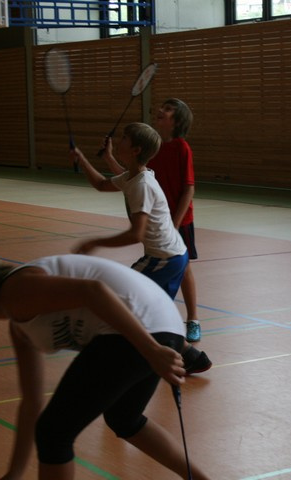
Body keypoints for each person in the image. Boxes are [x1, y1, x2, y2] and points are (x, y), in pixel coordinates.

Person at [0, 239, 212, 480]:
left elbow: (93, 291)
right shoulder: (19, 324)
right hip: (159, 325)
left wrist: (151, 349)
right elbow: (31, 403)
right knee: (124, 418)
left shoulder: (15, 292)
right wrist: (14, 473)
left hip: (142, 329)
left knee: (54, 433)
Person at [71, 122, 211, 375]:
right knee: (153, 313)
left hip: (164, 258)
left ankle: (119, 357)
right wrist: (82, 159)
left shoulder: (141, 185)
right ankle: (192, 357)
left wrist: (94, 242)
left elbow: (136, 234)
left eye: (124, 138)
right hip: (173, 256)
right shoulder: (133, 177)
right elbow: (101, 184)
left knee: (119, 298)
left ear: (135, 150)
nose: (119, 140)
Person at [101, 99, 202, 343]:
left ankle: (193, 319)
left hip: (179, 218)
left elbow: (189, 188)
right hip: (159, 217)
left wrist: (175, 223)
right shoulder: (153, 148)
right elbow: (129, 178)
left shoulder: (182, 148)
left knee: (184, 267)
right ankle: (160, 322)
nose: (160, 110)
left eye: (167, 110)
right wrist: (109, 158)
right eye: (162, 107)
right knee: (164, 268)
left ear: (177, 121)